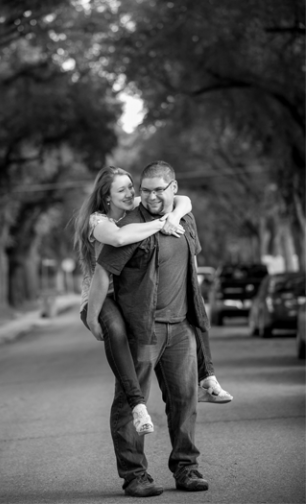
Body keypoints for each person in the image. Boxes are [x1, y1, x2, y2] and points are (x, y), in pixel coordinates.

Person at [73, 167, 233, 436]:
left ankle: (206, 379)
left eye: (131, 187)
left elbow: (183, 200)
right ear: (107, 196)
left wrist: (175, 215)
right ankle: (137, 405)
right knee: (118, 331)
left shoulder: (133, 208)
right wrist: (163, 223)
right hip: (101, 299)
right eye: (121, 189)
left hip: (129, 295)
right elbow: (119, 238)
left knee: (192, 302)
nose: (131, 193)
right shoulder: (98, 222)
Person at [87, 161, 213, 497]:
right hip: (142, 329)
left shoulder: (184, 218)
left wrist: (196, 314)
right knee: (132, 402)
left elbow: (192, 263)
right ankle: (135, 476)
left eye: (159, 189)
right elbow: (103, 273)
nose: (151, 195)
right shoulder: (130, 224)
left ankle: (187, 469)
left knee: (185, 401)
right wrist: (92, 315)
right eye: (145, 190)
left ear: (173, 188)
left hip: (181, 327)